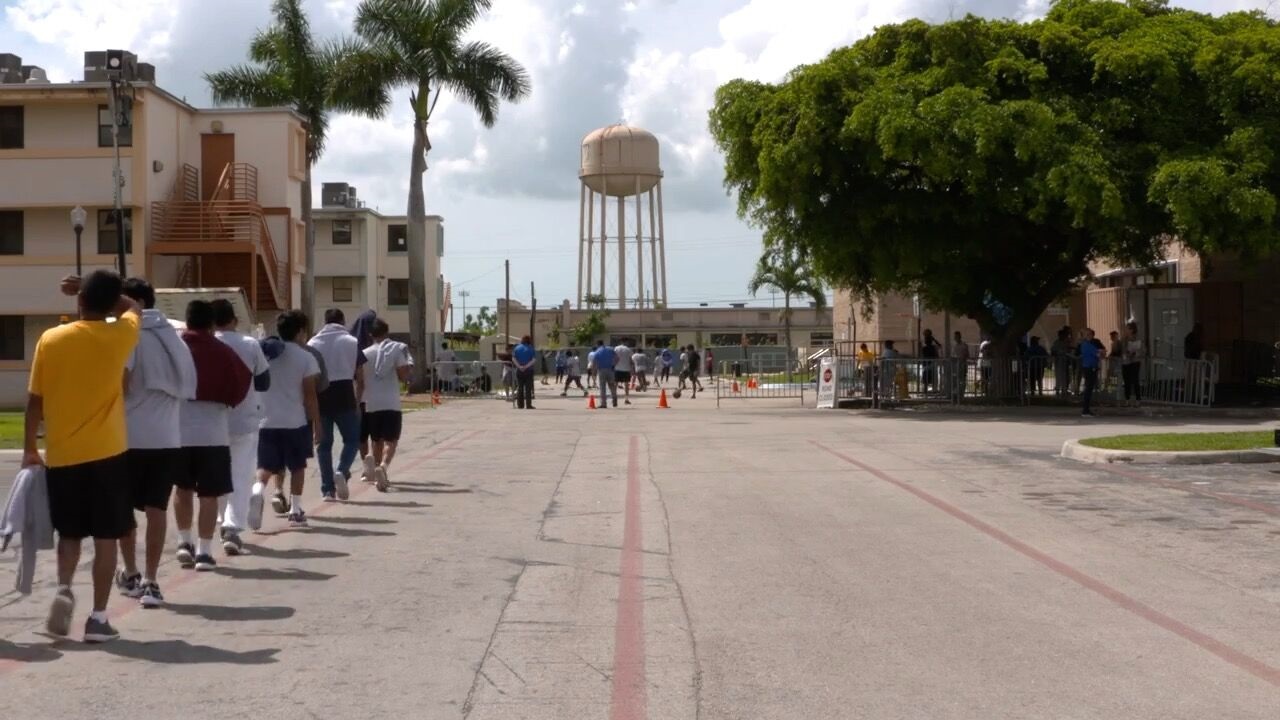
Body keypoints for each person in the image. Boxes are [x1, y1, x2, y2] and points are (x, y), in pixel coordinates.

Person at [26, 270, 141, 643]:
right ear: (109, 304)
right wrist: (96, 292)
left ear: (79, 302)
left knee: (70, 533)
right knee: (107, 537)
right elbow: (133, 306)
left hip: (62, 453)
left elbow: (35, 401)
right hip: (108, 452)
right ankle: (98, 617)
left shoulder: (51, 339)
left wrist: (30, 447)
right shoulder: (120, 335)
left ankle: (63, 587)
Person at [115, 279, 196, 608]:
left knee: (122, 511)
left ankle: (131, 573)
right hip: (166, 438)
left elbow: (120, 385)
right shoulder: (173, 337)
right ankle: (151, 579)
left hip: (129, 437)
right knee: (157, 509)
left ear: (132, 302)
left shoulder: (129, 335)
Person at [175, 301, 251, 572]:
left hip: (178, 430)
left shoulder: (175, 348)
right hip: (213, 431)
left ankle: (184, 543)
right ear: (211, 324)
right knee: (209, 494)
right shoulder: (223, 351)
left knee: (182, 490)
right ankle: (205, 552)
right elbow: (241, 384)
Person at [253, 311, 322, 528]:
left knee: (265, 466)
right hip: (295, 421)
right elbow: (310, 395)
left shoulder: (266, 355)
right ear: (301, 332)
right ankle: (296, 509)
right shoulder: (306, 357)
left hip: (266, 420)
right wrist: (317, 424)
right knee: (297, 466)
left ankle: (257, 491)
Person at [213, 299, 271, 557]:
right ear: (234, 320)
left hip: (210, 420)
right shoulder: (249, 344)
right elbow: (264, 382)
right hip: (245, 418)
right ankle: (231, 526)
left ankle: (222, 519)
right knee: (241, 475)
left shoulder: (205, 343)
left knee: (217, 475)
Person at [308, 309, 364, 502]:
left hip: (321, 393)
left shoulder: (312, 343)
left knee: (323, 445)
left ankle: (327, 490)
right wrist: (357, 401)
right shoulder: (352, 341)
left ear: (325, 322)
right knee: (352, 439)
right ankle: (341, 470)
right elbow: (361, 378)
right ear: (342, 320)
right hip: (344, 391)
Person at [362, 320, 412, 491]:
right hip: (391, 402)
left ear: (370, 335)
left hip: (371, 402)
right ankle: (382, 466)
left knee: (376, 441)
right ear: (387, 332)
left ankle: (377, 471)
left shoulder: (364, 353)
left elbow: (359, 380)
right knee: (391, 440)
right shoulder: (395, 350)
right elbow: (403, 375)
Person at [1078, 328, 1103, 417]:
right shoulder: (1086, 345)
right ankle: (1085, 410)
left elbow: (1099, 352)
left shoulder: (1087, 345)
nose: (1090, 336)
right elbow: (1099, 354)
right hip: (1089, 368)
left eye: (1090, 334)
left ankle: (1086, 409)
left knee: (1089, 389)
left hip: (1090, 367)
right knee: (1088, 389)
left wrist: (1100, 352)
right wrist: (1100, 352)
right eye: (1087, 334)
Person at [1121, 321, 1144, 406]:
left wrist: (1135, 352)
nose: (1126, 330)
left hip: (1135, 361)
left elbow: (1142, 350)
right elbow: (1122, 350)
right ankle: (1127, 399)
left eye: (1127, 329)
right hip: (1126, 361)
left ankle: (1138, 399)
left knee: (1135, 380)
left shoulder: (1138, 338)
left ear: (1132, 330)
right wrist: (1126, 353)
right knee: (1126, 380)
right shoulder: (1124, 339)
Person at [513, 335, 538, 409]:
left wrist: (519, 367)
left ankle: (520, 405)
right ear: (529, 340)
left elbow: (513, 358)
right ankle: (528, 405)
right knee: (528, 388)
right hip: (529, 371)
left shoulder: (517, 348)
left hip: (519, 371)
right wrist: (526, 366)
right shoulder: (531, 348)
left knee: (520, 388)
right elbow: (533, 360)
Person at [593, 340, 618, 407]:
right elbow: (617, 358)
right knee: (612, 385)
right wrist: (613, 365)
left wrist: (594, 372)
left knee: (602, 387)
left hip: (601, 370)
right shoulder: (610, 349)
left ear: (597, 344)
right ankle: (614, 397)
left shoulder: (597, 352)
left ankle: (603, 403)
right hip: (610, 369)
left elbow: (594, 363)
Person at [1051, 328, 1074, 397]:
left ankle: (1064, 390)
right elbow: (1053, 351)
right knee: (1059, 376)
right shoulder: (1057, 342)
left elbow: (1069, 349)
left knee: (1066, 376)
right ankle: (1058, 389)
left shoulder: (1066, 342)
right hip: (1059, 362)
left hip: (1066, 362)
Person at [615, 339, 635, 405]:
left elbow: (614, 357)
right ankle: (626, 399)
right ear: (626, 342)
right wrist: (632, 369)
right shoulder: (628, 349)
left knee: (615, 384)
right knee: (626, 385)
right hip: (626, 369)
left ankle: (614, 398)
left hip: (617, 368)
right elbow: (631, 360)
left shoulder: (616, 348)